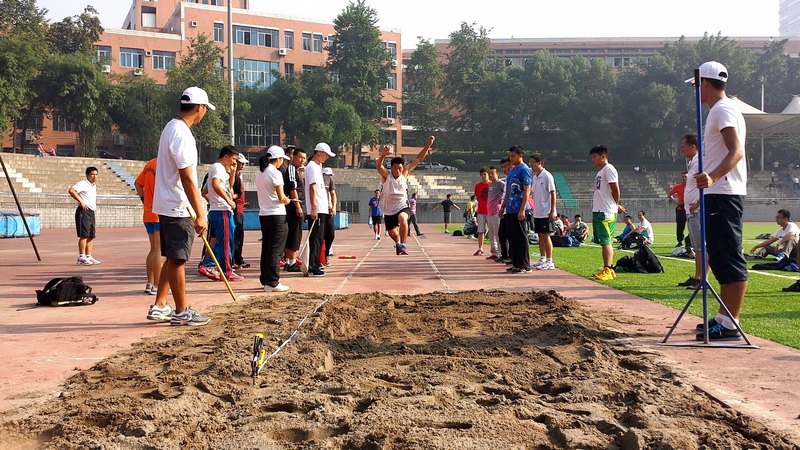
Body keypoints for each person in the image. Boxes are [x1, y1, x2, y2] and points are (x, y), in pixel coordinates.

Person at [689, 61, 748, 341]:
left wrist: (712, 177)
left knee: (727, 256)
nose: (696, 92)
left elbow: (736, 151)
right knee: (720, 255)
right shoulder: (723, 109)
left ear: (705, 83)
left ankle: (730, 324)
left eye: (697, 86)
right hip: (720, 193)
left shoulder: (722, 110)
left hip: (724, 192)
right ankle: (724, 317)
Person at [149, 86, 214, 327]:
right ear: (199, 108)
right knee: (178, 259)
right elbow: (187, 178)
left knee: (172, 257)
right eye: (205, 108)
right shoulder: (182, 134)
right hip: (178, 206)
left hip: (168, 203)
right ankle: (181, 311)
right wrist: (200, 213)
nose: (204, 112)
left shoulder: (170, 126)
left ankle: (160, 305)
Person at [376, 135, 436, 255]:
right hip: (388, 209)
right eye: (394, 168)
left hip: (402, 206)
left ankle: (403, 245)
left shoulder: (405, 173)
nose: (397, 171)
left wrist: (428, 145)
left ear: (402, 168)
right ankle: (398, 243)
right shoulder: (386, 175)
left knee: (403, 218)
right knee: (393, 233)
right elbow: (378, 166)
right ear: (391, 168)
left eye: (399, 168)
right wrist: (383, 154)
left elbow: (418, 159)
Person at [198, 146, 243, 282]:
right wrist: (229, 200)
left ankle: (213, 265)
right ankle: (226, 271)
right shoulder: (217, 168)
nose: (234, 162)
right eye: (233, 159)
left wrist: (233, 172)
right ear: (226, 157)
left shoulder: (223, 170)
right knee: (225, 243)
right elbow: (215, 185)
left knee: (222, 241)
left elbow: (228, 187)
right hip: (221, 210)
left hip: (221, 209)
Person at [256, 145, 291, 292]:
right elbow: (282, 197)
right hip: (276, 214)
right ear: (279, 159)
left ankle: (265, 279)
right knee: (276, 249)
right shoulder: (275, 173)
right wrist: (289, 200)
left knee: (267, 247)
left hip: (264, 214)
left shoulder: (260, 172)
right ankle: (272, 281)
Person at [590, 144, 625, 281]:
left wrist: (615, 205)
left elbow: (615, 189)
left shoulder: (609, 169)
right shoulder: (600, 171)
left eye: (594, 157)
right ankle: (606, 268)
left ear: (603, 156)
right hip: (599, 210)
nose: (592, 160)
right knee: (603, 241)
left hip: (605, 212)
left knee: (606, 241)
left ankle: (608, 270)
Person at [677, 133, 707, 289]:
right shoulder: (693, 162)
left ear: (693, 147)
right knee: (697, 248)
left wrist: (700, 203)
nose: (682, 150)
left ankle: (703, 280)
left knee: (702, 246)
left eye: (684, 147)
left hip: (697, 211)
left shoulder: (700, 161)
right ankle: (697, 278)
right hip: (691, 211)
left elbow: (709, 183)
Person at [135, 157, 164, 295]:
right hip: (159, 213)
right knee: (158, 250)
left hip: (148, 213)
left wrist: (144, 199)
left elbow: (137, 183)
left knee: (153, 249)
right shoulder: (164, 164)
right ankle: (157, 285)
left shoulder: (150, 164)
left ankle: (150, 283)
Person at [305, 142, 335, 276]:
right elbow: (312, 188)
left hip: (322, 208)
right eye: (326, 154)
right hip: (317, 208)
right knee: (316, 238)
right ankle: (312, 265)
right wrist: (313, 208)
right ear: (319, 152)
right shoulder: (311, 167)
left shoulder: (317, 167)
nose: (327, 157)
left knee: (320, 237)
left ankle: (316, 263)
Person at [503, 145, 532, 273]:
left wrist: (522, 209)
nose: (511, 158)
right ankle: (516, 262)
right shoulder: (512, 170)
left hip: (518, 208)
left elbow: (527, 191)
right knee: (512, 237)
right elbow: (508, 191)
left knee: (521, 237)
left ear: (520, 155)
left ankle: (524, 264)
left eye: (513, 155)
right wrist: (503, 207)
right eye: (510, 156)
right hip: (510, 209)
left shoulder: (524, 169)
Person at [529, 153, 557, 270]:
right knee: (540, 236)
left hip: (546, 211)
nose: (531, 165)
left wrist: (552, 210)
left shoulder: (547, 176)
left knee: (546, 236)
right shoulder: (535, 177)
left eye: (533, 163)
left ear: (539, 162)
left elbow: (553, 192)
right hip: (537, 211)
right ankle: (542, 258)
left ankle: (550, 261)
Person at [68, 166, 100, 266]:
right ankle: (81, 256)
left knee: (91, 235)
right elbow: (71, 190)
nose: (94, 177)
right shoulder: (83, 183)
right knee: (84, 235)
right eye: (92, 175)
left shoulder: (93, 185)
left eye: (96, 174)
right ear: (87, 175)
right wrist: (81, 201)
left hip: (91, 211)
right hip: (83, 211)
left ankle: (89, 256)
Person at [283, 147, 306, 273]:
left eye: (304, 158)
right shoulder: (291, 169)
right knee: (294, 234)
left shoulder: (298, 170)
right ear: (294, 157)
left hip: (298, 206)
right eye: (300, 157)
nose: (302, 160)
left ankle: (290, 260)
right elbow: (292, 188)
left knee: (295, 234)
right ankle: (291, 262)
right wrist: (297, 206)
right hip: (293, 208)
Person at [232, 153, 250, 270]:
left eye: (244, 163)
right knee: (235, 235)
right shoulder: (232, 176)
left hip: (240, 208)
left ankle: (238, 258)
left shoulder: (239, 175)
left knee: (239, 234)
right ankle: (234, 259)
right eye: (240, 162)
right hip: (234, 208)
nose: (242, 165)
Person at [485, 166, 504, 260]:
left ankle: (501, 253)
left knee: (498, 234)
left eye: (492, 173)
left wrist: (501, 202)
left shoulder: (501, 184)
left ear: (497, 174)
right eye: (489, 174)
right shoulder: (490, 185)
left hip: (496, 212)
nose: (491, 175)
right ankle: (494, 252)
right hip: (489, 212)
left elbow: (506, 193)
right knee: (491, 234)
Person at [472, 168, 492, 256]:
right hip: (481, 211)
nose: (483, 176)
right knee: (481, 231)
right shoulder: (478, 186)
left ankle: (495, 250)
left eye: (485, 174)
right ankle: (480, 248)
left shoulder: (492, 184)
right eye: (482, 174)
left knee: (492, 231)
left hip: (490, 211)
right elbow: (477, 197)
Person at [667, 172, 688, 247]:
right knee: (680, 226)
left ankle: (690, 240)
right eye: (683, 177)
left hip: (690, 208)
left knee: (692, 225)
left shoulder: (692, 186)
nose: (684, 178)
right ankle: (680, 241)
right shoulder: (678, 186)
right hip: (681, 208)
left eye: (685, 177)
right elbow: (669, 195)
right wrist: (676, 202)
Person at [322, 167, 337, 262]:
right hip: (320, 210)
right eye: (326, 175)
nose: (328, 177)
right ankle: (320, 257)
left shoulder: (330, 181)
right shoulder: (317, 180)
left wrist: (333, 207)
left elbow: (333, 194)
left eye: (329, 175)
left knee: (331, 234)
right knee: (320, 235)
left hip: (329, 210)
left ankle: (326, 252)